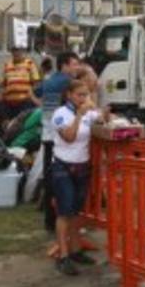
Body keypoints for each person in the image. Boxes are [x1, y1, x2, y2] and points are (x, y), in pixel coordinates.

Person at [50, 78, 108, 276]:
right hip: (63, 166)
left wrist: (102, 111)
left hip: (82, 166)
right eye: (80, 95)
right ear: (69, 95)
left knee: (76, 212)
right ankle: (63, 256)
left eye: (86, 94)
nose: (83, 98)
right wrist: (79, 116)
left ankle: (75, 250)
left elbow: (103, 118)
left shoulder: (87, 112)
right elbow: (69, 137)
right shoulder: (60, 113)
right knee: (64, 212)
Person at [40, 51, 82, 231]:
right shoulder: (67, 82)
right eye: (74, 64)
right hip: (59, 137)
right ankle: (60, 221)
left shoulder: (50, 80)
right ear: (64, 65)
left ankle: (50, 220)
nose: (77, 67)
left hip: (47, 134)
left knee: (50, 179)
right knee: (61, 182)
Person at [2, 46, 41, 116]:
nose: (16, 53)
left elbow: (36, 83)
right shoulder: (7, 65)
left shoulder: (30, 64)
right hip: (9, 103)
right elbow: (4, 84)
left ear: (22, 51)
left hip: (24, 103)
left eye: (18, 50)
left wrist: (31, 96)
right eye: (14, 50)